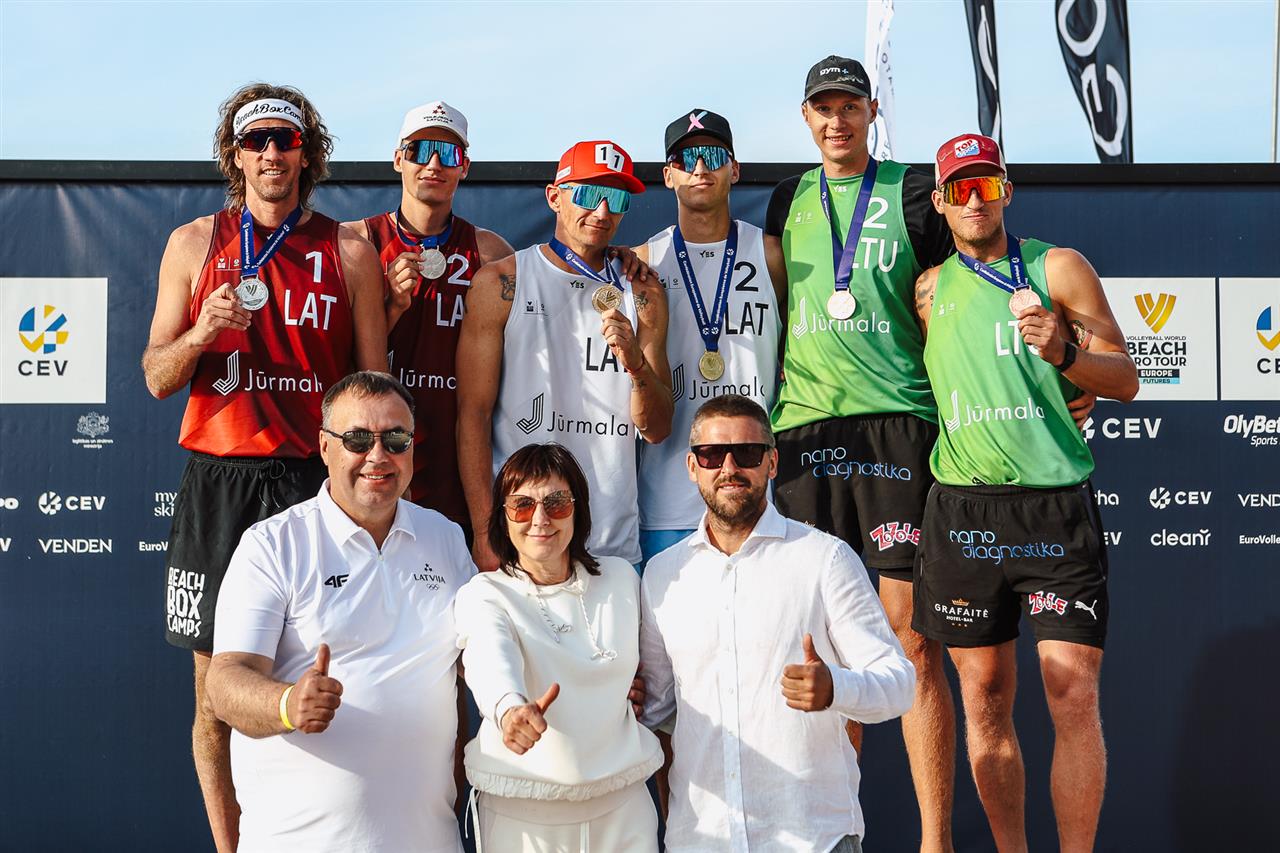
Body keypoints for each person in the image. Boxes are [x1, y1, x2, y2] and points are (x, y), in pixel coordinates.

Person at [141, 83, 386, 851]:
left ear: (306, 152)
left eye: (286, 140)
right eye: (257, 142)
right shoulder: (192, 243)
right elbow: (155, 374)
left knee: (328, 674)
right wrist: (201, 333)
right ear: (235, 154)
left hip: (311, 484)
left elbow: (375, 386)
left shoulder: (348, 249)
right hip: (219, 479)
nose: (272, 153)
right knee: (217, 694)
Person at [911, 133, 1137, 853]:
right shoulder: (926, 289)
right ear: (942, 202)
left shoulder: (1058, 267)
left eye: (987, 184)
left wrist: (1066, 354)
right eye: (959, 189)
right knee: (983, 697)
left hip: (1053, 503)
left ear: (1006, 188)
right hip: (964, 509)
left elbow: (1126, 377)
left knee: (1071, 691)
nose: (974, 200)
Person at [205, 371, 474, 853]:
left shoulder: (447, 538)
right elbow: (226, 682)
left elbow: (488, 653)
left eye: (395, 438)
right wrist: (286, 704)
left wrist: (598, 680)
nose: (378, 456)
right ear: (325, 447)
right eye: (357, 439)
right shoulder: (273, 545)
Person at [640, 394, 915, 853]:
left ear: (771, 462)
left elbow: (900, 684)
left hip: (815, 837)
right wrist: (626, 700)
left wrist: (835, 690)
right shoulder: (663, 574)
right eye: (711, 454)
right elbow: (658, 708)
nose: (728, 467)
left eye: (746, 453)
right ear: (692, 466)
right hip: (702, 840)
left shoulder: (825, 558)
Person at [457, 139, 672, 571]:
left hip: (611, 543)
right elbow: (472, 416)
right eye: (590, 194)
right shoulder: (502, 282)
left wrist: (635, 364)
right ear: (555, 197)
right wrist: (484, 534)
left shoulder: (642, 289)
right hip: (523, 533)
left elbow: (659, 427)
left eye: (617, 198)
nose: (603, 211)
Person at [454, 443, 662, 850]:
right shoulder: (486, 593)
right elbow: (489, 656)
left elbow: (652, 673)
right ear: (503, 517)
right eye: (522, 505)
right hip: (524, 820)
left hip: (624, 810)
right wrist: (509, 710)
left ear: (578, 509)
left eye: (557, 502)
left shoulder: (622, 579)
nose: (540, 518)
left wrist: (639, 694)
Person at [343, 100, 514, 539]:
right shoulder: (354, 242)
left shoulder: (490, 252)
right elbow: (329, 357)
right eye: (420, 150)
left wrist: (626, 261)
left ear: (465, 166)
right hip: (373, 452)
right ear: (399, 158)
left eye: (449, 153)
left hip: (457, 455)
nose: (434, 163)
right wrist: (391, 306)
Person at [636, 109, 780, 567]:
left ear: (734, 169)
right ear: (668, 175)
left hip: (759, 493)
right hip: (668, 502)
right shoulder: (644, 261)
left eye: (713, 156)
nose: (700, 169)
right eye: (686, 158)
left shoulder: (772, 253)